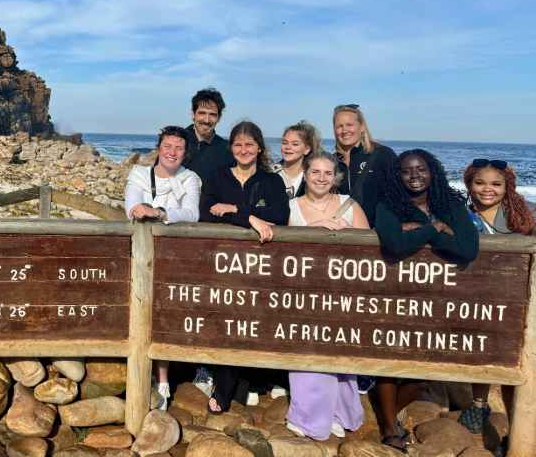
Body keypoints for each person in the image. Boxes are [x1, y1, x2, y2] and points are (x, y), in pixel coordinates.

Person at [373, 149, 479, 450]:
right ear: (398, 175)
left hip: (433, 297)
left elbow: (467, 249)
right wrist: (433, 228)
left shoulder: (450, 204)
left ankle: (386, 413)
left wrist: (422, 233)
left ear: (432, 170)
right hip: (394, 292)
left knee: (421, 372)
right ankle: (389, 428)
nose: (414, 176)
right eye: (406, 171)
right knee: (386, 359)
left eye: (421, 169)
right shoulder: (388, 205)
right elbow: (394, 245)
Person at [200, 120, 289, 412]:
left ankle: (237, 385)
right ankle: (228, 386)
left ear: (259, 147)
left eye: (249, 144)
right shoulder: (216, 178)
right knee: (227, 320)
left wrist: (237, 210)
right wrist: (252, 218)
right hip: (222, 263)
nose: (243, 149)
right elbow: (208, 215)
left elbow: (278, 214)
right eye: (238, 144)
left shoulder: (271, 181)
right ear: (231, 148)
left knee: (253, 321)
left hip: (261, 265)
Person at [284, 151, 368, 440]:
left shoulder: (349, 205)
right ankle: (309, 417)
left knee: (338, 350)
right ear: (305, 175)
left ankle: (338, 412)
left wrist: (347, 236)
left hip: (342, 291)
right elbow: (282, 251)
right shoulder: (291, 206)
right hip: (304, 292)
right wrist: (314, 229)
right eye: (315, 172)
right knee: (308, 351)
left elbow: (367, 247)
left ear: (336, 177)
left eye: (327, 173)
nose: (321, 178)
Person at [124, 125, 201, 410]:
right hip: (142, 256)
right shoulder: (139, 174)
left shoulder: (191, 178)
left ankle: (164, 380)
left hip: (175, 258)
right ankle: (142, 377)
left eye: (179, 148)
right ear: (159, 147)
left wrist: (157, 212)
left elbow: (192, 213)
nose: (172, 152)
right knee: (142, 313)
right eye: (168, 146)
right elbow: (132, 208)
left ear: (185, 152)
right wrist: (166, 214)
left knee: (166, 315)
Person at [459, 159, 535, 435]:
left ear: (507, 187)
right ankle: (478, 405)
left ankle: (516, 428)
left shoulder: (525, 216)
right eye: (479, 183)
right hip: (481, 298)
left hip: (519, 301)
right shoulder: (461, 216)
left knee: (515, 363)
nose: (487, 189)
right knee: (483, 353)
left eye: (495, 184)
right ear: (469, 185)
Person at [332, 104, 396, 223]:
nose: (344, 130)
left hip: (375, 232)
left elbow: (399, 194)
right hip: (341, 230)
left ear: (361, 127)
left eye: (349, 125)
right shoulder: (332, 161)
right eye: (339, 126)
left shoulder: (382, 155)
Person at [182, 88, 233, 184]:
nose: (206, 120)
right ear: (193, 114)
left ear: (219, 118)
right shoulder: (177, 142)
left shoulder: (227, 150)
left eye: (212, 115)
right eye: (202, 113)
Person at [273, 121, 320, 199]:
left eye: (295, 144)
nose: (288, 147)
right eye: (285, 143)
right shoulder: (269, 173)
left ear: (307, 149)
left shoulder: (313, 176)